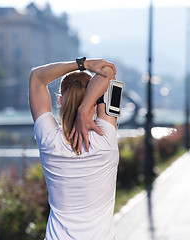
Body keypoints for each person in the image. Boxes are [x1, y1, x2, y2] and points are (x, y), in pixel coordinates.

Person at [29, 58, 119, 240]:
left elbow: (37, 77)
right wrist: (85, 108)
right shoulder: (106, 136)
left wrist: (83, 64)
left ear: (61, 101)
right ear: (95, 102)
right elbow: (109, 71)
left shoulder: (48, 140)